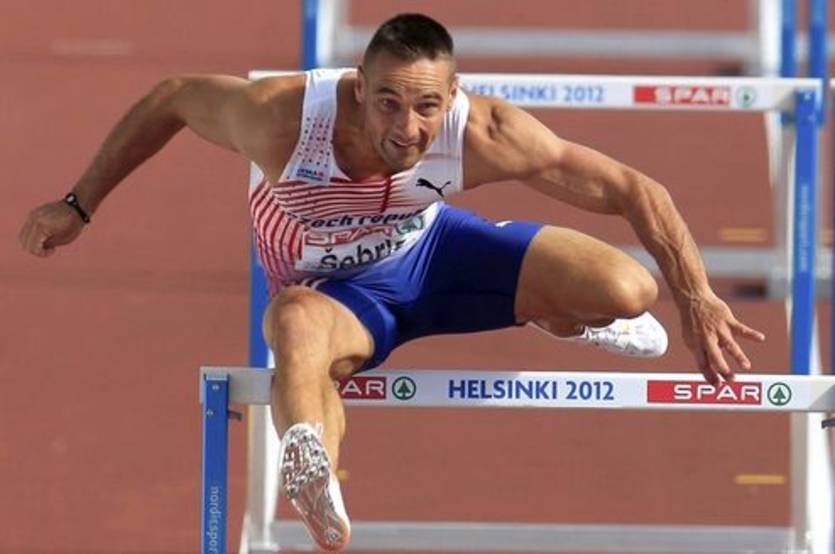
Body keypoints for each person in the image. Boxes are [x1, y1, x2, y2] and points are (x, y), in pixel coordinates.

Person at [19, 13, 765, 552]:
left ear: (454, 94)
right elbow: (172, 96)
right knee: (294, 324)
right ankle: (312, 466)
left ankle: (558, 311)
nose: (407, 128)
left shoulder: (481, 133)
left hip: (434, 254)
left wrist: (697, 297)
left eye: (427, 105)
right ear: (358, 87)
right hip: (336, 297)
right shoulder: (282, 120)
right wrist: (78, 204)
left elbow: (635, 189)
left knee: (629, 289)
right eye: (388, 103)